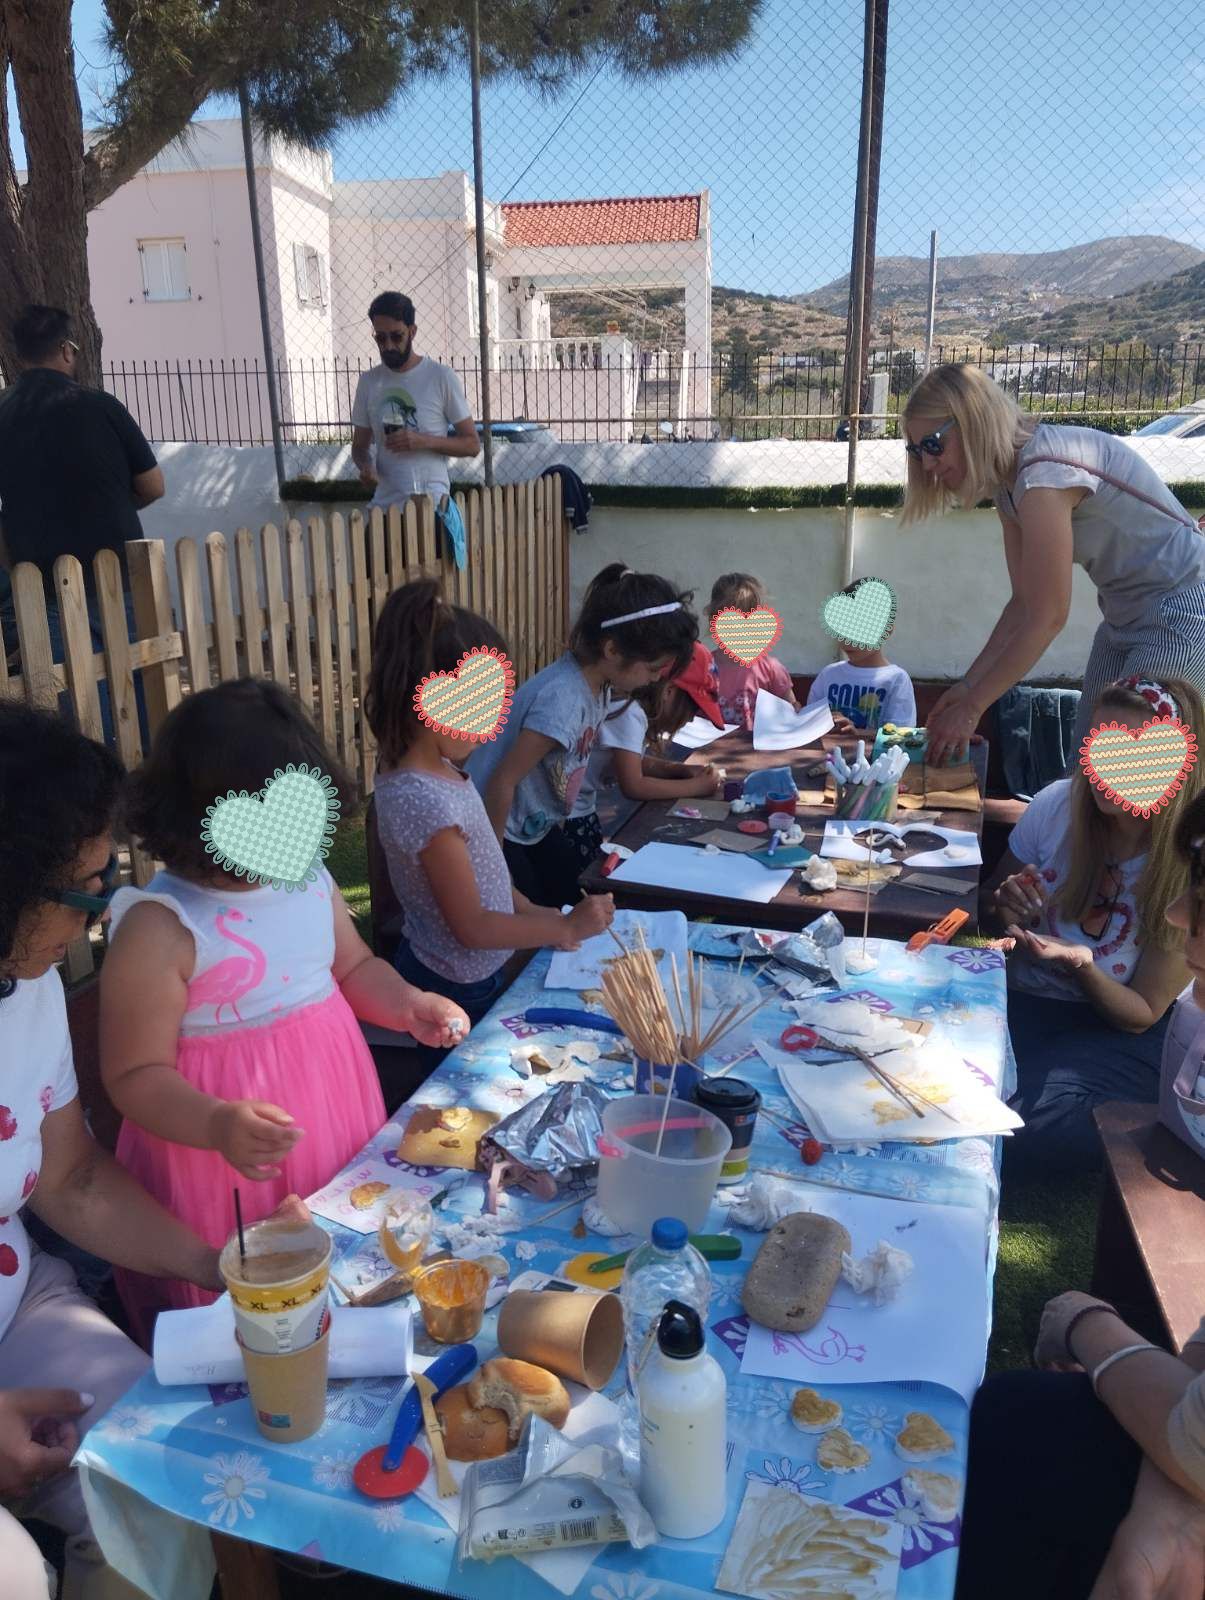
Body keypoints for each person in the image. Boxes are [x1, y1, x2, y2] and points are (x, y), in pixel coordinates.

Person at [98, 679, 469, 1344]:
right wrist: (215, 1123)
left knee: (338, 1252)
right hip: (214, 1156)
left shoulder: (306, 878)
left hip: (330, 1111)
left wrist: (407, 1003)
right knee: (246, 1301)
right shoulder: (160, 925)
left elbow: (351, 968)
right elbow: (133, 1074)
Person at [0, 701, 230, 1600]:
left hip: (18, 1309)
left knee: (168, 1467)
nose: (99, 916)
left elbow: (71, 1176)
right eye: (86, 889)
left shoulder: (25, 983)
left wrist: (220, 1266)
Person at [955, 790, 1205, 1600]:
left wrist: (1084, 1324)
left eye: (1199, 895)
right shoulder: (1059, 813)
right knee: (1013, 1414)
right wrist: (1167, 1504)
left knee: (1013, 1428)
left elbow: (1195, 1445)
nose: (1175, 914)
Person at [901, 362, 1205, 765]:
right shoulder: (1010, 488)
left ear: (972, 420)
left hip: (1181, 610)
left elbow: (1047, 616)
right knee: (1085, 769)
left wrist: (973, 708)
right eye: (916, 450)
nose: (927, 464)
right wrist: (968, 687)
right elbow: (1023, 604)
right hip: (1122, 618)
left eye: (933, 444)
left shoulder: (1043, 472)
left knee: (1126, 770)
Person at [366, 580, 614, 1065]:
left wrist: (538, 913)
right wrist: (562, 926)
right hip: (454, 986)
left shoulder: (437, 772)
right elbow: (473, 928)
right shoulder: (427, 802)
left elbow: (488, 878)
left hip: (468, 973)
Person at [979, 675, 1203, 1172]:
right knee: (947, 1071)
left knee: (1018, 1119)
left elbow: (1142, 1012)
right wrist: (1007, 908)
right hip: (1030, 1001)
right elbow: (990, 902)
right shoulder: (1057, 804)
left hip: (1121, 1030)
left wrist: (1080, 964)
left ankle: (1144, 1116)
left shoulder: (1186, 862)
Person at [469, 564, 700, 906]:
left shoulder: (599, 687)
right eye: (653, 668)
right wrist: (493, 863)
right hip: (497, 828)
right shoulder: (563, 700)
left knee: (576, 903)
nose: (655, 679)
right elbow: (502, 780)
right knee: (541, 920)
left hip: (534, 827)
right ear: (612, 650)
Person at [0, 306, 162, 744]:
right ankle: (146, 768)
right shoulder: (102, 406)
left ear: (19, 356)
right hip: (116, 574)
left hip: (42, 584)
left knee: (76, 698)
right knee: (137, 681)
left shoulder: (2, 414)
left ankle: (96, 778)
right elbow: (153, 485)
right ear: (67, 350)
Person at [569, 641, 726, 842]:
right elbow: (634, 785)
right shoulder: (630, 714)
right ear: (669, 691)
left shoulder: (630, 709)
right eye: (692, 709)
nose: (690, 719)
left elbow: (633, 762)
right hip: (570, 816)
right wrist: (697, 786)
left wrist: (680, 770)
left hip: (577, 808)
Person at [350, 290, 480, 511]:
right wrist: (366, 466)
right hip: (385, 510)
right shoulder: (368, 382)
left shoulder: (440, 377)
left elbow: (472, 444)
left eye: (396, 336)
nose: (388, 346)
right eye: (380, 338)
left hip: (432, 508)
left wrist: (424, 441)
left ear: (412, 332)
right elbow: (359, 447)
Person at [806, 591, 917, 734]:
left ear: (886, 631)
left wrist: (858, 734)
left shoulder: (897, 679)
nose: (846, 639)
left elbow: (900, 735)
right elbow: (809, 725)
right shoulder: (828, 675)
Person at [707, 572, 797, 731]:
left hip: (761, 746)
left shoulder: (771, 669)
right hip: (711, 746)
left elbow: (791, 711)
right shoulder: (704, 667)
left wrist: (795, 712)